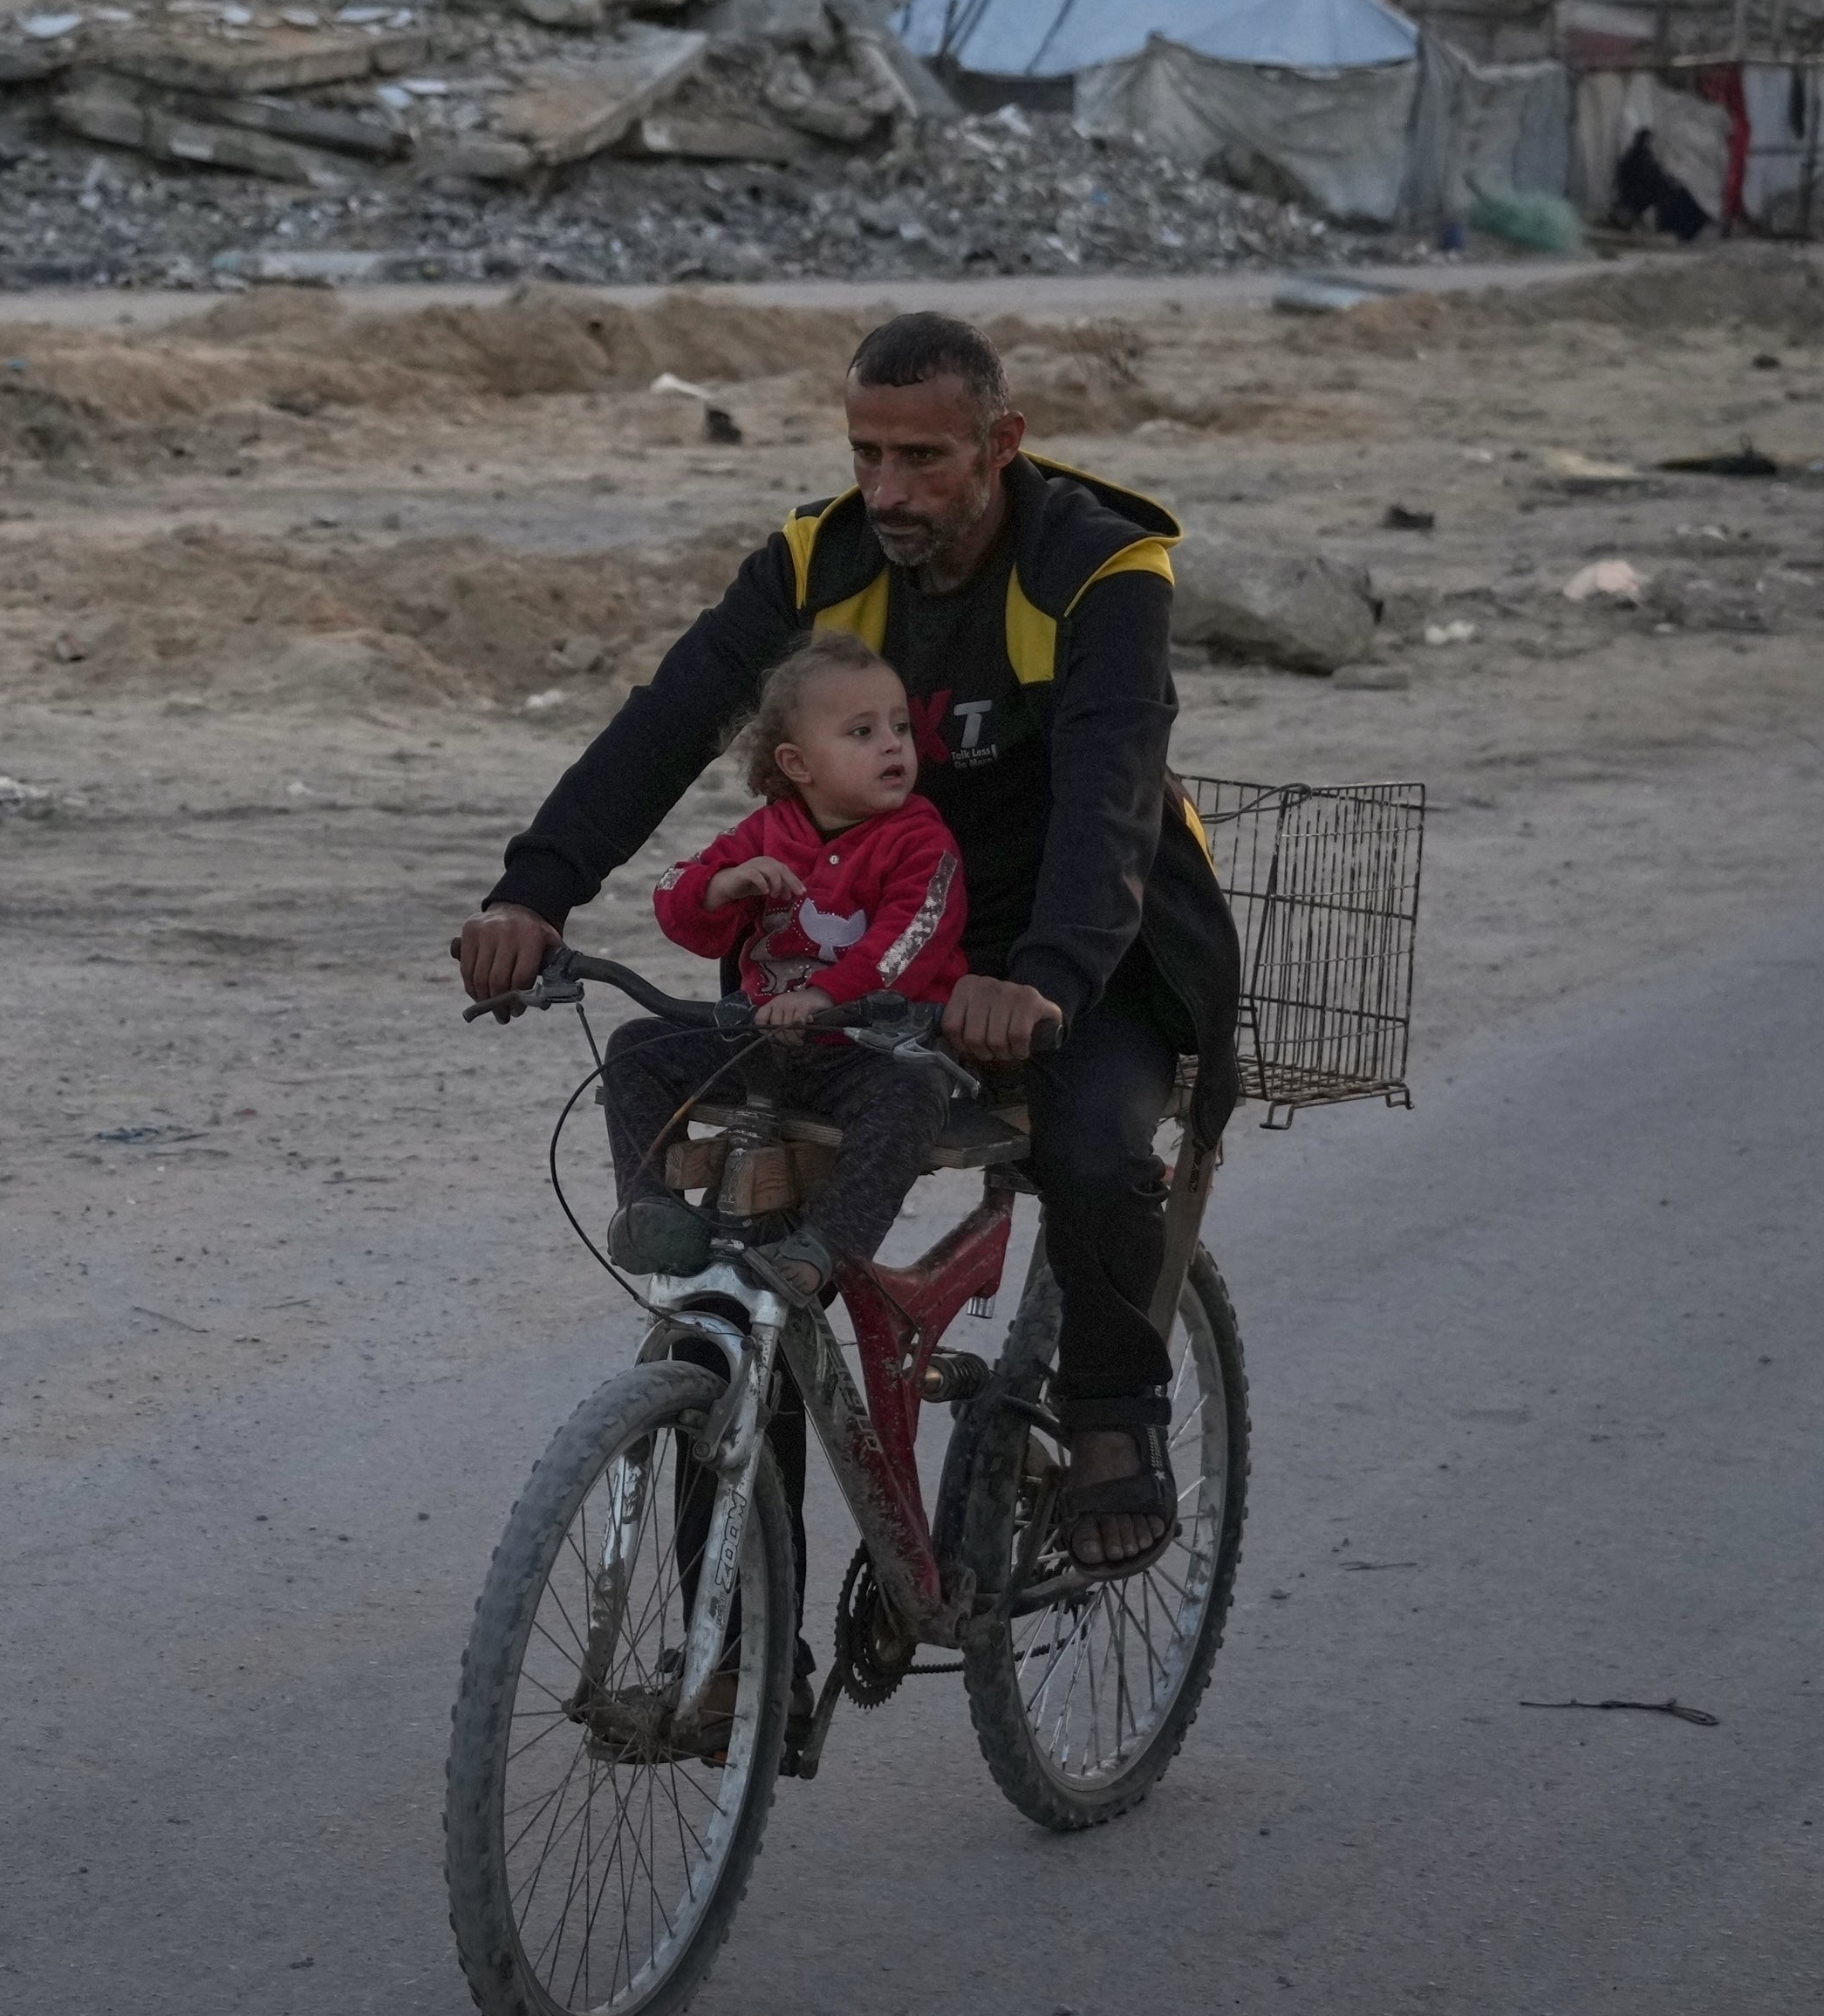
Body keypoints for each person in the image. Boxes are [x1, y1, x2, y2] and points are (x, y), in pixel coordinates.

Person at [457, 312, 1243, 1575]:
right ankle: (734, 1585)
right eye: (867, 453)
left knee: (1093, 1148)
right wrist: (535, 892)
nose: (888, 490)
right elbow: (671, 721)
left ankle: (1112, 1424)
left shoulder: (1097, 568)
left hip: (1088, 947)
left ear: (1002, 444)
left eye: (923, 459)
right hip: (864, 957)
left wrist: (1039, 977)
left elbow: (1109, 797)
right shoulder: (818, 560)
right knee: (752, 1223)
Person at [594, 636, 968, 1309]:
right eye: (862, 732)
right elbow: (677, 894)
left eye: (901, 728)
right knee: (633, 1049)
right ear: (796, 764)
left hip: (866, 1052)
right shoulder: (768, 831)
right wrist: (721, 887)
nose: (893, 746)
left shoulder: (920, 840)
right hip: (763, 1045)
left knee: (918, 1088)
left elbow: (910, 939)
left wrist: (826, 994)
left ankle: (828, 1246)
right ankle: (651, 1208)